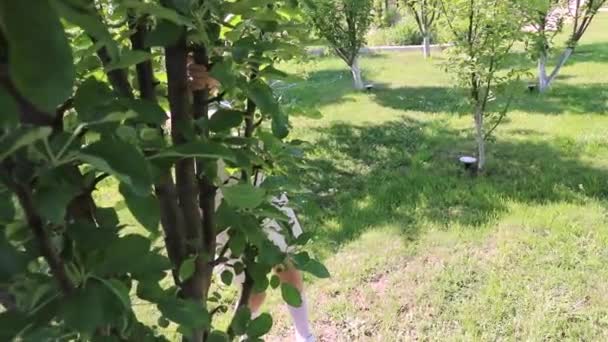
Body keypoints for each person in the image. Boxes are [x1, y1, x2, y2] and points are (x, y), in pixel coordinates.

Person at [188, 61, 315, 342]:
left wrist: (222, 82)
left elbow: (250, 129)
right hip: (223, 206)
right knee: (253, 285)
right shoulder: (175, 112)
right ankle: (243, 336)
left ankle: (305, 335)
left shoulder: (226, 94)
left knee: (288, 267)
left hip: (260, 191)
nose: (196, 68)